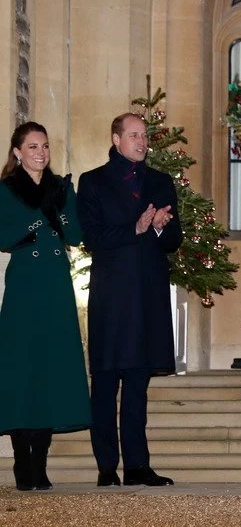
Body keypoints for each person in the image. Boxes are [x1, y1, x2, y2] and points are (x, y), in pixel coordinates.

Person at [77, 112, 182, 487]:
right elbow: (91, 236)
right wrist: (134, 227)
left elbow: (174, 241)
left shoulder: (160, 182)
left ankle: (138, 465)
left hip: (148, 295)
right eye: (134, 135)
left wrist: (157, 228)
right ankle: (107, 466)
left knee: (138, 385)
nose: (142, 142)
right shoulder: (92, 182)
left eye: (144, 136)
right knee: (105, 384)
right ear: (116, 138)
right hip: (111, 296)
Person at [0, 122, 92, 491]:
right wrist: (40, 217)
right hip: (25, 285)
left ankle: (41, 460)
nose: (41, 152)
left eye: (46, 146)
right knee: (23, 369)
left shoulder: (61, 187)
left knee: (52, 369)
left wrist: (59, 209)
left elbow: (75, 235)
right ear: (18, 152)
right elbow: (5, 236)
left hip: (55, 283)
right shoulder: (5, 190)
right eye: (33, 146)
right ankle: (23, 459)